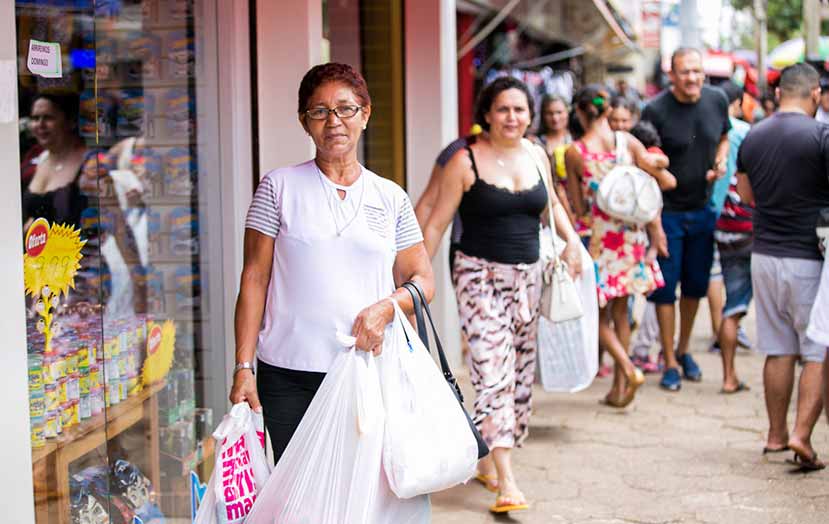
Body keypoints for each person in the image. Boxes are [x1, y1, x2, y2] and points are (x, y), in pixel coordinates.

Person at [230, 63, 435, 466]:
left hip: (366, 369)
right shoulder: (278, 187)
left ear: (365, 113)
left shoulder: (390, 196)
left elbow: (423, 280)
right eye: (319, 111)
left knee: (363, 490)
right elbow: (254, 278)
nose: (333, 121)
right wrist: (243, 366)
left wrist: (385, 308)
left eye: (345, 109)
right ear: (304, 122)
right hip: (288, 374)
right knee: (302, 491)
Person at [422, 76, 582, 514]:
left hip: (529, 278)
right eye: (503, 110)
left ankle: (491, 454)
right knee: (492, 371)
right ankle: (508, 481)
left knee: (519, 377)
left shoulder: (535, 154)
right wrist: (417, 280)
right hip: (477, 276)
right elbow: (436, 223)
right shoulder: (465, 161)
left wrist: (572, 242)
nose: (512, 117)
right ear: (486, 115)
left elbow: (552, 206)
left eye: (519, 110)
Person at [736, 63, 829, 469]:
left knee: (777, 349)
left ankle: (774, 436)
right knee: (815, 351)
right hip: (808, 256)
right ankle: (800, 435)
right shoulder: (821, 135)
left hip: (764, 254)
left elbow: (745, 194)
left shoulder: (753, 134)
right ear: (813, 94)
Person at [564, 84, 672, 408]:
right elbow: (657, 176)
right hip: (630, 239)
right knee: (622, 313)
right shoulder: (629, 142)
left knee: (593, 315)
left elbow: (578, 204)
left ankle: (626, 368)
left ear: (581, 112)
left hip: (597, 239)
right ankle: (618, 387)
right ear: (609, 110)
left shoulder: (576, 152)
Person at [640, 47, 731, 392]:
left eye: (697, 71)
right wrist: (654, 223)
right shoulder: (655, 109)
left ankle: (683, 349)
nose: (692, 78)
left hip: (703, 211)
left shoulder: (717, 99)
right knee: (665, 291)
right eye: (684, 72)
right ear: (672, 75)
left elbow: (723, 135)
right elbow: (645, 162)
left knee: (695, 286)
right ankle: (670, 361)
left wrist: (720, 161)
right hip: (668, 215)